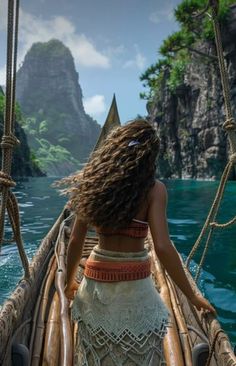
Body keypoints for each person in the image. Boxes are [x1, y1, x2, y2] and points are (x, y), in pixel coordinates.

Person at [64, 119, 216, 366]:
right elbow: (163, 248)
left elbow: (75, 241)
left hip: (94, 288)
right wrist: (192, 296)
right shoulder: (155, 190)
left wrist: (69, 280)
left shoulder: (91, 184)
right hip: (135, 292)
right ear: (150, 156)